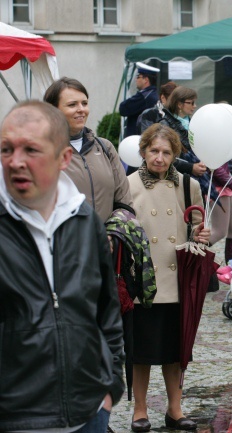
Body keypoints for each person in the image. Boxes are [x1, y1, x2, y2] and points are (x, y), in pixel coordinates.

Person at [0, 101, 124, 432]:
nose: (15, 162)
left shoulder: (85, 220)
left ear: (63, 159)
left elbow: (106, 309)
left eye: (31, 150)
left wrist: (111, 385)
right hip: (18, 419)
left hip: (89, 411)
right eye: (6, 149)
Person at [128, 124, 210, 432]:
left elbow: (199, 228)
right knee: (142, 352)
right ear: (144, 151)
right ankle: (139, 409)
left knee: (176, 351)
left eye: (166, 152)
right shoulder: (129, 184)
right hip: (145, 282)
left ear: (175, 155)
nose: (159, 158)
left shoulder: (189, 185)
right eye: (154, 151)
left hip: (178, 281)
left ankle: (175, 408)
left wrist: (204, 236)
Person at [44, 77, 133, 222]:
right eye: (72, 104)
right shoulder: (43, 152)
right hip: (64, 242)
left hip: (105, 242)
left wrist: (112, 235)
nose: (81, 109)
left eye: (84, 103)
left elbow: (124, 202)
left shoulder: (106, 148)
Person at [159, 86, 213, 201]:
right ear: (179, 104)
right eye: (191, 103)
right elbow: (164, 157)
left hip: (197, 181)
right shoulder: (165, 125)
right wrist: (191, 167)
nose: (195, 106)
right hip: (176, 182)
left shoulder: (194, 123)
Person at [119, 62, 160, 137]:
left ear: (146, 80)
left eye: (138, 77)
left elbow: (123, 108)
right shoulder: (153, 93)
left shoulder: (144, 96)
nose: (136, 79)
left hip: (138, 137)